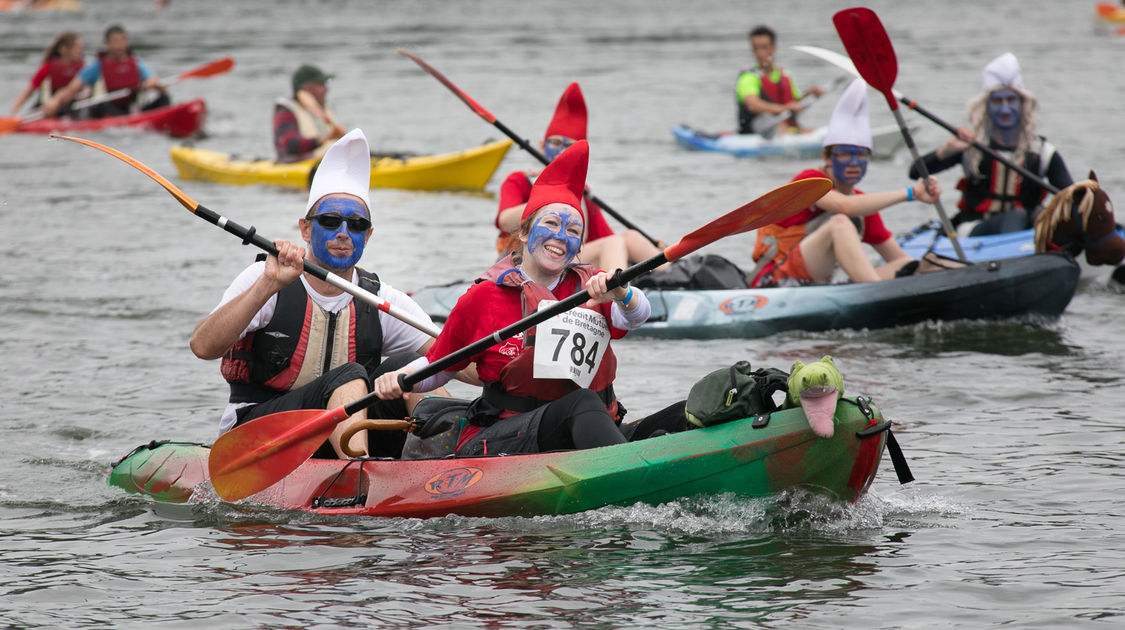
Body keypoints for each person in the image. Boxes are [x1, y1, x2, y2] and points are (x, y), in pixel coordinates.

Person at [375, 140, 679, 456]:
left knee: (682, 413)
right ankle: (629, 473)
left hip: (591, 425)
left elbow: (637, 316)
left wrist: (622, 293)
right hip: (509, 436)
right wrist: (400, 378)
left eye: (573, 231)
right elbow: (440, 366)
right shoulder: (483, 296)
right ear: (523, 233)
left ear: (578, 246)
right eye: (550, 224)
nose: (561, 236)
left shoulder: (592, 284)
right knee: (582, 404)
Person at [190, 129, 459, 460]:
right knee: (349, 375)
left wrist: (513, 358)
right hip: (261, 436)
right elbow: (203, 347)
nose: (343, 233)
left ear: (368, 234)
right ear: (305, 228)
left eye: (356, 225)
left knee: (412, 367)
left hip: (341, 437)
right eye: (331, 221)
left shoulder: (380, 299)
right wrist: (267, 285)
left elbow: (460, 360)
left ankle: (446, 460)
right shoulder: (265, 278)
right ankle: (356, 472)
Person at [751, 79, 948, 287]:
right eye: (844, 154)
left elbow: (898, 260)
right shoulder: (809, 180)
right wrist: (912, 193)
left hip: (817, 285)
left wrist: (926, 269)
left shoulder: (864, 206)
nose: (854, 163)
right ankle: (875, 296)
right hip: (776, 280)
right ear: (827, 157)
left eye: (861, 155)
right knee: (841, 223)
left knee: (915, 265)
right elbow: (844, 207)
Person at [494, 82, 664, 272]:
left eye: (569, 146)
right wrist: (553, 195)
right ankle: (617, 298)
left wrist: (650, 249)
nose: (561, 151)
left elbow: (605, 237)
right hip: (523, 261)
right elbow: (505, 222)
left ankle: (675, 273)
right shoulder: (519, 180)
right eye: (556, 143)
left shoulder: (583, 191)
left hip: (567, 258)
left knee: (630, 237)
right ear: (542, 146)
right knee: (612, 244)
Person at [908, 52, 1073, 237]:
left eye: (1011, 100)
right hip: (975, 231)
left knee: (1037, 217)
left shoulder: (1043, 152)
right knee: (1016, 216)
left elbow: (1071, 197)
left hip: (1026, 232)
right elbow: (915, 172)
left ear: (1022, 105)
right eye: (997, 101)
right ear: (987, 107)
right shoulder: (971, 147)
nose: (1004, 108)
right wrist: (947, 151)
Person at [44, 25, 169, 118]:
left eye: (122, 41)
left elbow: (157, 83)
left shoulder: (137, 64)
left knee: (164, 99)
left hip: (131, 111)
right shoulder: (97, 66)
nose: (120, 46)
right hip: (107, 111)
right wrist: (55, 101)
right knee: (99, 104)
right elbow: (71, 89)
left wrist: (154, 84)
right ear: (107, 44)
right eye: (115, 42)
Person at [736, 25, 825, 135]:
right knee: (774, 123)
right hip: (758, 131)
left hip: (787, 129)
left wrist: (811, 93)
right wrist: (784, 108)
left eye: (764, 47)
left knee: (789, 126)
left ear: (774, 48)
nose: (760, 54)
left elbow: (794, 103)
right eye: (756, 48)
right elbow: (753, 105)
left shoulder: (785, 74)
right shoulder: (748, 77)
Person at [274, 64, 345, 163]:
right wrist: (324, 139)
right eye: (321, 85)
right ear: (307, 88)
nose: (326, 89)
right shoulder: (287, 111)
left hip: (328, 161)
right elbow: (289, 145)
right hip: (300, 164)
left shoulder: (325, 108)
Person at [10, 31, 85, 116]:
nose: (80, 51)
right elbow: (29, 91)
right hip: (47, 106)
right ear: (63, 49)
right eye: (77, 48)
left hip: (72, 106)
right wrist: (13, 111)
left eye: (81, 48)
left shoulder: (82, 68)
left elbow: (85, 88)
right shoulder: (48, 67)